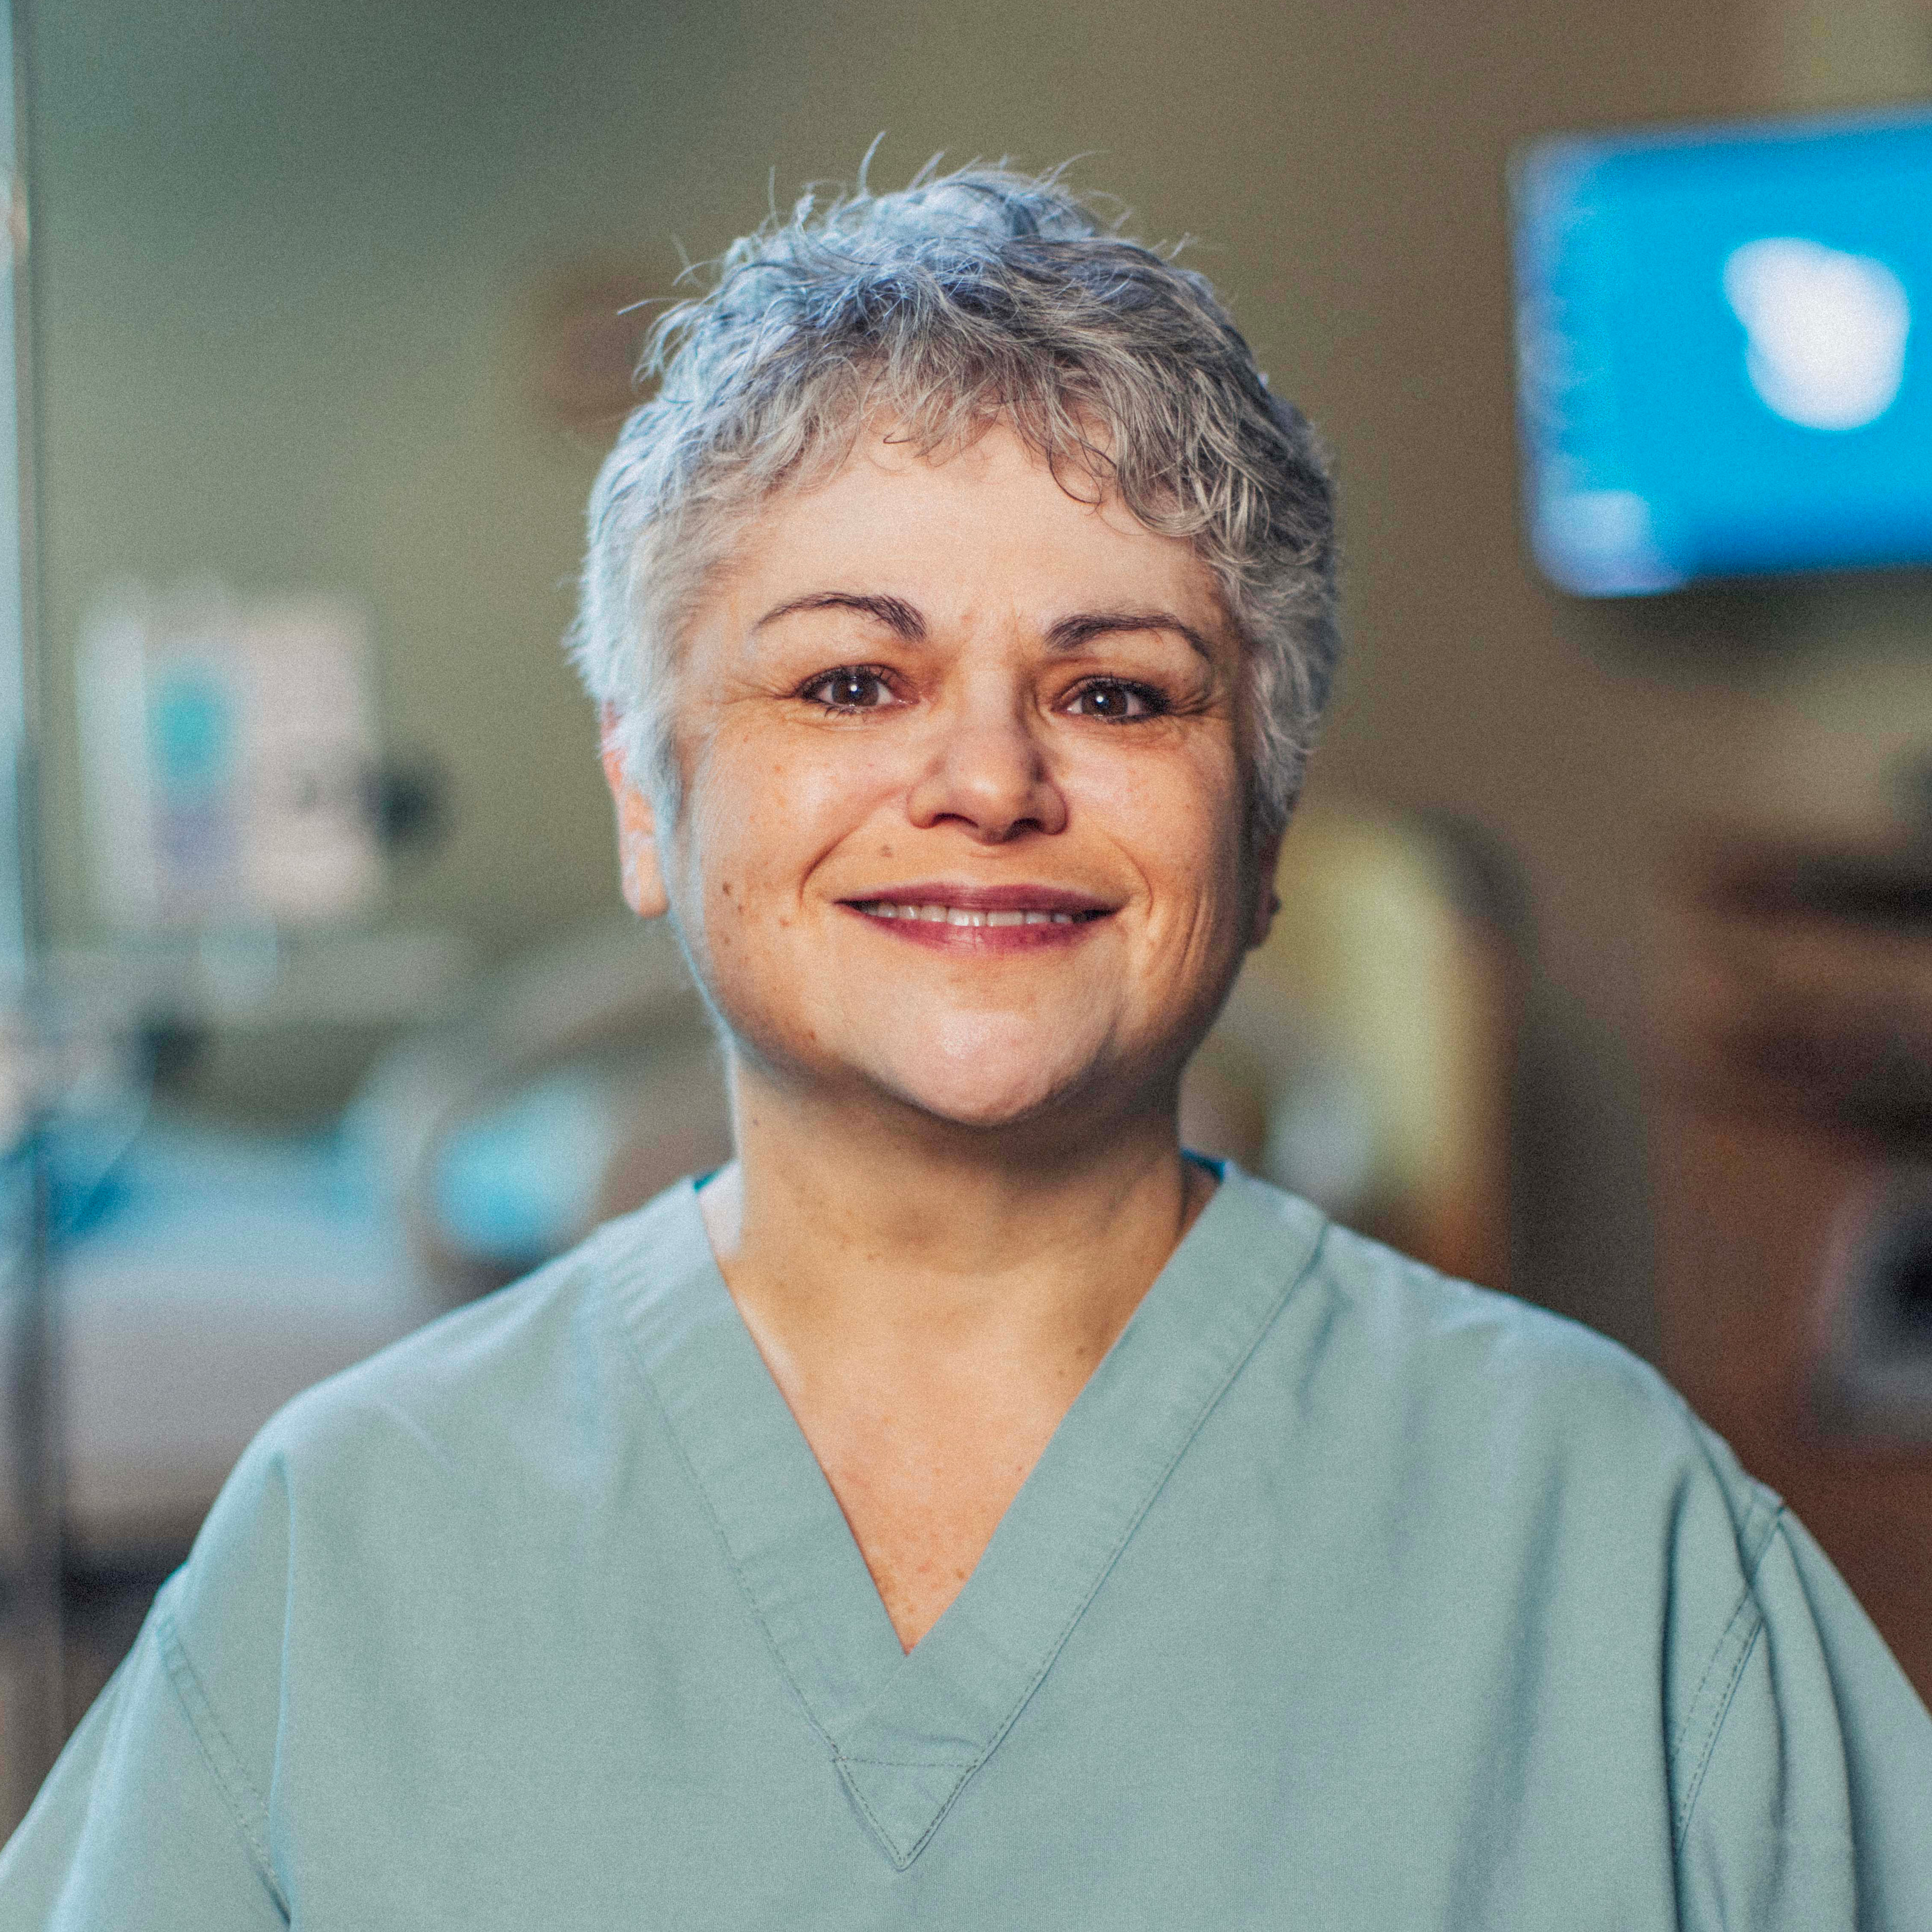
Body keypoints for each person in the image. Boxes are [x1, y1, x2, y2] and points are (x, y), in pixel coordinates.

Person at [4, 162, 1930, 1929]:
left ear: (1259, 830)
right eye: (854, 678)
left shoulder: (1606, 1537)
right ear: (647, 805)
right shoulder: (358, 1544)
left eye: (1115, 690)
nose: (990, 777)